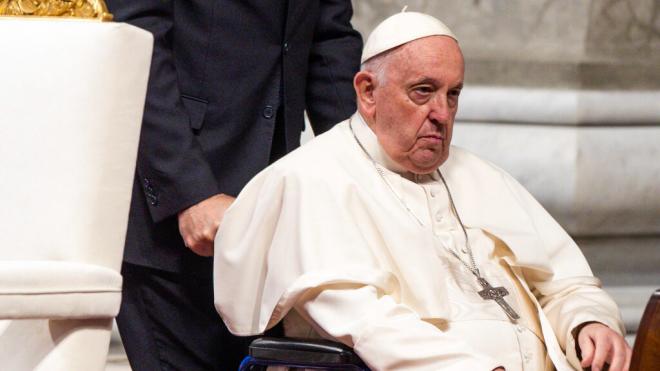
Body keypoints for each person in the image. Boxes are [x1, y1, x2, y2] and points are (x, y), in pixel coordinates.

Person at [213, 11, 632, 371]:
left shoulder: (480, 175)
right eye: (423, 91)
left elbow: (568, 285)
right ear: (367, 92)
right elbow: (366, 322)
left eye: (453, 95)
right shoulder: (312, 179)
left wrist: (587, 322)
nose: (442, 114)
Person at [105, 0, 362, 369]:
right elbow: (135, 40)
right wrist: (190, 192)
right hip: (173, 210)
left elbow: (330, 41)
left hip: (274, 215)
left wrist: (370, 171)